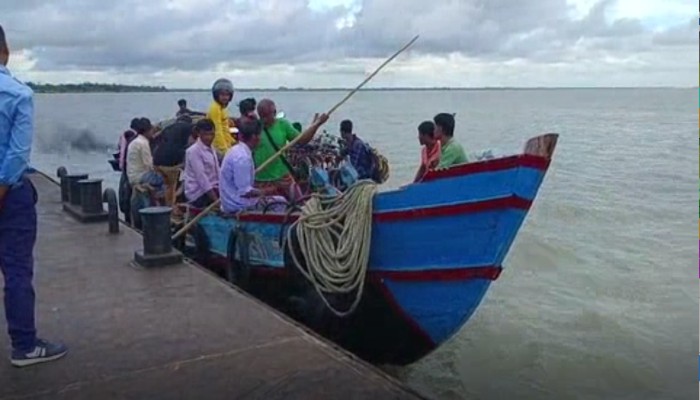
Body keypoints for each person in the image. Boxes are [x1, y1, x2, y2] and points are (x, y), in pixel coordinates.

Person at [0, 24, 68, 367]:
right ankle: (25, 346)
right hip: (10, 197)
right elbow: (16, 154)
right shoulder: (18, 94)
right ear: (5, 48)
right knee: (16, 271)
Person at [253, 98, 329, 198]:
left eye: (267, 116)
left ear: (274, 112)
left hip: (283, 177)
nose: (264, 120)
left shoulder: (283, 125)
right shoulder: (254, 127)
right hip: (261, 180)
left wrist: (317, 124)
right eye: (261, 116)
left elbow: (302, 140)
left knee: (299, 203)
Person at [220, 120, 287, 214]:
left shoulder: (236, 150)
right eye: (260, 135)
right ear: (254, 137)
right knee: (281, 202)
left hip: (233, 198)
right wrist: (268, 191)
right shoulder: (242, 158)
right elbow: (245, 192)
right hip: (237, 203)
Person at [183, 119, 220, 208]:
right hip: (198, 193)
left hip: (213, 187)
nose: (209, 138)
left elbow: (218, 172)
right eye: (206, 135)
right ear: (199, 134)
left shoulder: (211, 148)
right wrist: (216, 201)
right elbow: (202, 179)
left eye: (212, 134)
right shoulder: (193, 151)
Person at [126, 118, 164, 199]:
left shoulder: (135, 141)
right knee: (164, 179)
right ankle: (159, 198)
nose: (152, 132)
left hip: (132, 175)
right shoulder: (143, 143)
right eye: (151, 130)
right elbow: (149, 164)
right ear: (146, 131)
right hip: (140, 176)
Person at [206, 78, 236, 158]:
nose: (225, 97)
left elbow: (225, 129)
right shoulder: (215, 108)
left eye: (227, 95)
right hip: (217, 146)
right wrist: (225, 150)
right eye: (222, 95)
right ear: (216, 95)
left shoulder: (222, 108)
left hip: (225, 145)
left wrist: (233, 142)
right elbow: (217, 131)